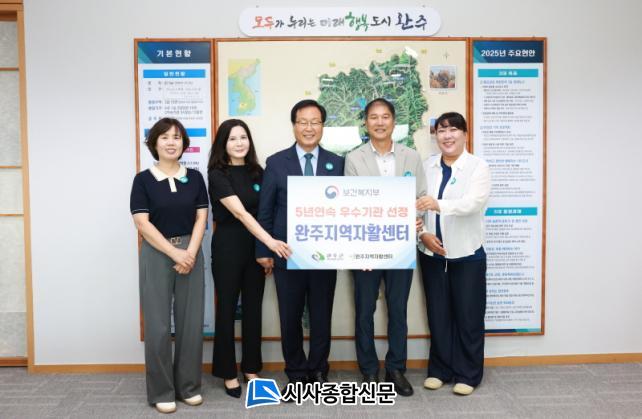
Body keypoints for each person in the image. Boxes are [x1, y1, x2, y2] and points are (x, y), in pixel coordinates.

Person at [256, 99, 344, 391]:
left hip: (324, 254)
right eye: (303, 122)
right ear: (294, 126)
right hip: (287, 253)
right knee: (289, 316)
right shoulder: (276, 162)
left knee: (321, 315)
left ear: (323, 126)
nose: (309, 128)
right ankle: (295, 371)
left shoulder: (338, 163)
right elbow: (266, 210)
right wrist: (264, 251)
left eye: (315, 122)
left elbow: (346, 209)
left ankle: (318, 369)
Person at [344, 98, 427, 397]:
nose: (379, 122)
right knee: (364, 311)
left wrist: (416, 218)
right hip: (365, 246)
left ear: (394, 121)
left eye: (385, 117)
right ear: (365, 123)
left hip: (401, 245)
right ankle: (368, 370)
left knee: (398, 310)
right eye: (373, 117)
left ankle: (396, 369)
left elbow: (420, 197)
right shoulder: (354, 158)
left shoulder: (411, 156)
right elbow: (350, 203)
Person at [207, 119, 291, 398]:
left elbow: (268, 211)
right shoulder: (217, 174)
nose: (239, 143)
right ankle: (228, 372)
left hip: (256, 249)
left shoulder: (258, 172)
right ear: (223, 144)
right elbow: (241, 213)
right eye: (232, 139)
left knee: (254, 308)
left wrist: (265, 251)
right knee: (227, 309)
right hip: (228, 247)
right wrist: (271, 243)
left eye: (243, 137)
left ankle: (251, 367)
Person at [130, 117, 208, 414]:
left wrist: (190, 252)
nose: (171, 142)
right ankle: (162, 391)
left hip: (191, 250)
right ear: (154, 143)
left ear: (184, 143)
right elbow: (142, 223)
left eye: (176, 137)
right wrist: (175, 253)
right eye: (164, 137)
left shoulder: (195, 177)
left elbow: (201, 217)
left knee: (191, 323)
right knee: (158, 325)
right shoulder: (143, 180)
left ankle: (189, 387)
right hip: (157, 252)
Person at [416, 112, 490, 396]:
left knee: (468, 317)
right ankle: (439, 370)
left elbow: (473, 203)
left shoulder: (478, 167)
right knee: (438, 316)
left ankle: (468, 374)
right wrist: (423, 234)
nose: (447, 136)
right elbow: (417, 206)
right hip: (431, 254)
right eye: (441, 131)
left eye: (453, 130)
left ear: (465, 134)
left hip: (466, 254)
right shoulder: (428, 165)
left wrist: (438, 204)